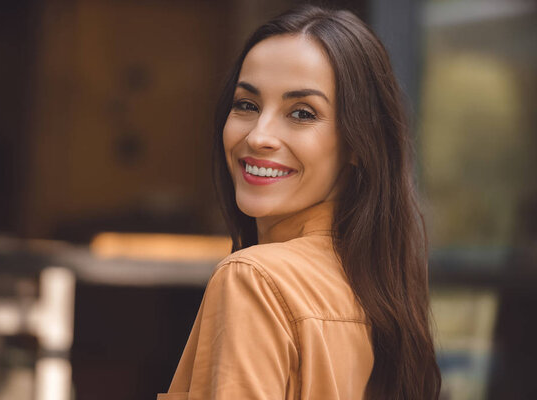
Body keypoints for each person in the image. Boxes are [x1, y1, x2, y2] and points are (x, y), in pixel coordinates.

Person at [157, 4, 441, 400]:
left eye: (302, 113)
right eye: (247, 105)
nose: (259, 136)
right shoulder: (378, 295)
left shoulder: (254, 280)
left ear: (358, 143)